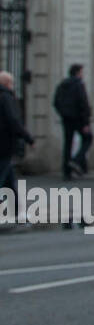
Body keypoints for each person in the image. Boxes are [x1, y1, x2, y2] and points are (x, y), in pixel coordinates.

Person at [0, 71, 35, 216]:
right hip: (4, 145)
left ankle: (17, 211)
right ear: (7, 83)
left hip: (3, 146)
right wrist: (28, 138)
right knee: (3, 177)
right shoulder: (6, 97)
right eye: (12, 83)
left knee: (9, 179)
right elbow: (14, 121)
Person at [53, 64, 92, 181]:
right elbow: (83, 103)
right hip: (78, 118)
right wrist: (86, 122)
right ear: (77, 73)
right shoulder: (79, 85)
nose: (82, 75)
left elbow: (55, 102)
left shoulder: (62, 85)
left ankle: (66, 172)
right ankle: (76, 161)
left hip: (66, 118)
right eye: (81, 72)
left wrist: (63, 113)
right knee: (88, 138)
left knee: (68, 143)